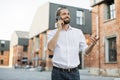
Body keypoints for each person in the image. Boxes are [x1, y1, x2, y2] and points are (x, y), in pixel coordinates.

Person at [47, 7, 99, 80]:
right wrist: (59, 29)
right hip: (58, 73)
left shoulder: (78, 32)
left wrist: (92, 45)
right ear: (58, 18)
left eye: (68, 14)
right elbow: (50, 48)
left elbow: (85, 52)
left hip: (74, 73)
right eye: (64, 14)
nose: (67, 15)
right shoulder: (52, 33)